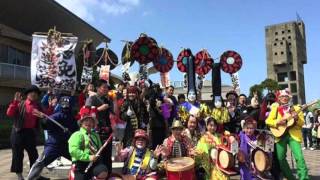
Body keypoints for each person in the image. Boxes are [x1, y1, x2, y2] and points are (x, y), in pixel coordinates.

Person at [27, 96, 79, 180]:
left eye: (68, 105)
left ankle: (82, 176)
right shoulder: (55, 117)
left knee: (79, 160)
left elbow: (76, 131)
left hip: (68, 146)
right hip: (53, 145)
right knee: (40, 161)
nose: (66, 107)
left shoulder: (73, 118)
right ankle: (31, 178)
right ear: (60, 105)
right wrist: (44, 120)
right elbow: (45, 125)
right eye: (64, 105)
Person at [266, 89, 309, 180]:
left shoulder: (296, 108)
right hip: (280, 135)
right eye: (282, 96)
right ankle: (290, 177)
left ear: (289, 98)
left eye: (286, 96)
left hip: (293, 135)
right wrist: (278, 122)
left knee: (299, 157)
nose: (284, 98)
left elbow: (302, 123)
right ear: (279, 98)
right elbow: (268, 121)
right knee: (281, 159)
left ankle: (304, 178)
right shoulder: (275, 108)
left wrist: (297, 119)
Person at [6, 85, 44, 180]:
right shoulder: (19, 103)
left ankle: (35, 175)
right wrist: (15, 102)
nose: (34, 94)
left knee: (34, 155)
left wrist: (43, 115)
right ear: (27, 94)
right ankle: (19, 176)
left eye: (36, 93)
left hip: (30, 133)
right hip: (18, 132)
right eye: (31, 92)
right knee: (17, 154)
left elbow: (46, 115)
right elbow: (9, 113)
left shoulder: (38, 105)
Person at [68, 113, 109, 180]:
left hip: (95, 162)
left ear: (93, 124)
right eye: (86, 121)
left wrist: (96, 157)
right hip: (80, 163)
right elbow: (73, 151)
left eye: (91, 121)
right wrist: (88, 157)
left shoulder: (96, 135)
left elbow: (99, 149)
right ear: (81, 123)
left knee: (103, 172)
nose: (88, 123)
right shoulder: (77, 134)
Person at [85, 79, 113, 173]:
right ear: (97, 88)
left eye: (107, 87)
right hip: (95, 132)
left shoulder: (107, 99)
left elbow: (113, 114)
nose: (106, 89)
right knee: (97, 155)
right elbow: (85, 114)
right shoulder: (91, 98)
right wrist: (98, 109)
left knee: (107, 155)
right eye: (104, 87)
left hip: (107, 131)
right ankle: (96, 175)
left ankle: (108, 175)